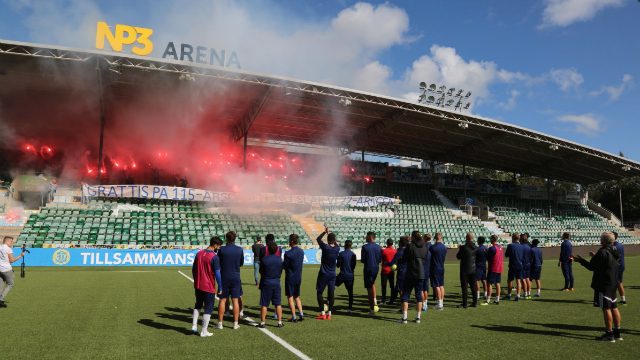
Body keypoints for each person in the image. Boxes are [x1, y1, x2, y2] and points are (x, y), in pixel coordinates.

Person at [575, 232, 623, 342]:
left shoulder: (602, 251)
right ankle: (617, 333)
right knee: (614, 307)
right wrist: (595, 257)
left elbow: (591, 267)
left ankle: (609, 334)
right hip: (613, 282)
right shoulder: (615, 250)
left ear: (603, 241)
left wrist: (581, 260)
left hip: (603, 284)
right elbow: (609, 263)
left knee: (606, 308)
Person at [191, 236, 223, 337]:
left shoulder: (199, 253)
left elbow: (193, 269)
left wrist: (196, 280)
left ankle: (194, 326)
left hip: (198, 285)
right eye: (219, 246)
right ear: (215, 245)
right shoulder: (214, 257)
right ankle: (204, 331)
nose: (219, 248)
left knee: (198, 305)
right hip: (208, 286)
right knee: (208, 308)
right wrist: (220, 287)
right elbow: (218, 274)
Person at [400, 231, 429, 324]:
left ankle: (404, 318)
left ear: (413, 237)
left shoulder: (410, 246)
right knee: (419, 296)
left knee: (405, 295)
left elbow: (404, 258)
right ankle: (418, 318)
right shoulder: (425, 246)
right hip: (421, 274)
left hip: (411, 273)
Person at [217, 231, 244, 330]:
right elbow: (241, 263)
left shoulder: (222, 249)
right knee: (235, 300)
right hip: (236, 276)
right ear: (235, 238)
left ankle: (220, 323)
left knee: (222, 300)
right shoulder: (239, 249)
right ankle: (235, 323)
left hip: (224, 276)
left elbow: (218, 263)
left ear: (226, 238)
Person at [257, 241, 285, 328]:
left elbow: (261, 271)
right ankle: (280, 322)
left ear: (268, 249)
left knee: (264, 304)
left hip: (266, 282)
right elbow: (281, 270)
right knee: (278, 303)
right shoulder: (279, 259)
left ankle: (262, 322)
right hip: (276, 281)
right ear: (276, 249)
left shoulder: (264, 259)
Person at [315, 226, 340, 320]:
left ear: (328, 240)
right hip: (332, 275)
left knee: (319, 292)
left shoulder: (325, 247)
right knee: (331, 294)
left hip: (323, 273)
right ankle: (329, 314)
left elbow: (318, 239)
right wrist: (329, 234)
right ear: (334, 240)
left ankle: (323, 313)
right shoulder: (337, 249)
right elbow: (336, 244)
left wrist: (325, 232)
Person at [283, 233, 305, 322]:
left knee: (290, 297)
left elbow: (285, 266)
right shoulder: (301, 251)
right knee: (297, 296)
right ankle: (301, 314)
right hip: (298, 276)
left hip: (290, 277)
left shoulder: (288, 253)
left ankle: (294, 316)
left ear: (291, 241)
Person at [0, 236, 26, 308]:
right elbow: (12, 260)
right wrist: (21, 255)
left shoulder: (0, 247)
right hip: (7, 269)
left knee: (1, 285)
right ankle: (1, 300)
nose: (12, 243)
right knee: (10, 284)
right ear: (7, 241)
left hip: (0, 269)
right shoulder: (8, 249)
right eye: (11, 241)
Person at [361, 231, 382, 316]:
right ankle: (375, 301)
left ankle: (371, 309)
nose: (365, 238)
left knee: (369, 288)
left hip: (368, 268)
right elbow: (380, 260)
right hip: (376, 268)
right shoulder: (378, 247)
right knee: (372, 284)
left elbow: (362, 260)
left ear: (370, 237)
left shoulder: (365, 247)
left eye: (366, 236)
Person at [457, 233, 478, 308]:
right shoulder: (476, 247)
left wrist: (459, 249)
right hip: (473, 269)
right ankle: (475, 303)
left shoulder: (463, 247)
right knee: (473, 287)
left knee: (464, 287)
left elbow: (458, 256)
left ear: (466, 238)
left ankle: (465, 304)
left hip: (464, 270)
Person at [336, 239, 357, 313]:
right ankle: (350, 308)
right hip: (350, 276)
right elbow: (353, 266)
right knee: (350, 293)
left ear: (345, 245)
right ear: (351, 246)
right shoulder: (353, 255)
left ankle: (329, 304)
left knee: (332, 287)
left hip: (342, 275)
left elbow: (338, 265)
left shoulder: (341, 254)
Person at [429, 232, 447, 310]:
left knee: (436, 286)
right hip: (441, 267)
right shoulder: (444, 247)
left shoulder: (432, 247)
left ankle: (439, 304)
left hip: (434, 268)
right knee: (441, 285)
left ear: (435, 238)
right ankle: (441, 302)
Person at [485, 235, 504, 305]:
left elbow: (488, 258)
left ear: (493, 239)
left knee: (489, 283)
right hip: (499, 268)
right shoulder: (500, 248)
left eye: (490, 239)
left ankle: (488, 299)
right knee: (497, 283)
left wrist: (485, 252)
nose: (490, 240)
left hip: (493, 268)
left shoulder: (492, 248)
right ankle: (497, 299)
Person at [390, 236, 409, 303]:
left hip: (402, 272)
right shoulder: (410, 250)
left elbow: (393, 263)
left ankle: (403, 304)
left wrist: (394, 267)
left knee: (400, 289)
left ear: (400, 243)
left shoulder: (399, 252)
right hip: (410, 272)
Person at [505, 233, 523, 301]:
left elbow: (506, 255)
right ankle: (518, 295)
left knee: (510, 280)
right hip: (520, 265)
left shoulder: (510, 246)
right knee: (518, 280)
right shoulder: (522, 246)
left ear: (513, 238)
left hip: (512, 265)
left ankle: (509, 295)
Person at [380, 238, 397, 305]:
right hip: (391, 270)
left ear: (387, 243)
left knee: (384, 286)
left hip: (384, 270)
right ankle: (392, 299)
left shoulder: (384, 251)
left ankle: (383, 300)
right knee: (392, 285)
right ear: (392, 243)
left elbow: (382, 259)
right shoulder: (395, 251)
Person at [613, 232, 626, 305]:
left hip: (617, 267)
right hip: (621, 266)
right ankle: (623, 299)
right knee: (619, 282)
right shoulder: (619, 245)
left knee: (616, 283)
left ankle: (615, 299)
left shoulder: (615, 247)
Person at [420, 234, 432, 312]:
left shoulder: (421, 251)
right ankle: (425, 304)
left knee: (421, 289)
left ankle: (423, 303)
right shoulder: (430, 252)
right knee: (425, 289)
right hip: (427, 271)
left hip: (421, 272)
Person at [475, 236, 488, 302]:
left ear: (479, 241)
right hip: (484, 266)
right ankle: (485, 293)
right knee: (484, 280)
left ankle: (478, 295)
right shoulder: (486, 248)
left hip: (478, 266)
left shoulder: (477, 249)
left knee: (477, 280)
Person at [520, 233, 532, 299]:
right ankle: (529, 293)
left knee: (523, 279)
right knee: (527, 278)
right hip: (528, 264)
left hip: (523, 264)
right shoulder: (529, 246)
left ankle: (525, 294)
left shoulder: (521, 246)